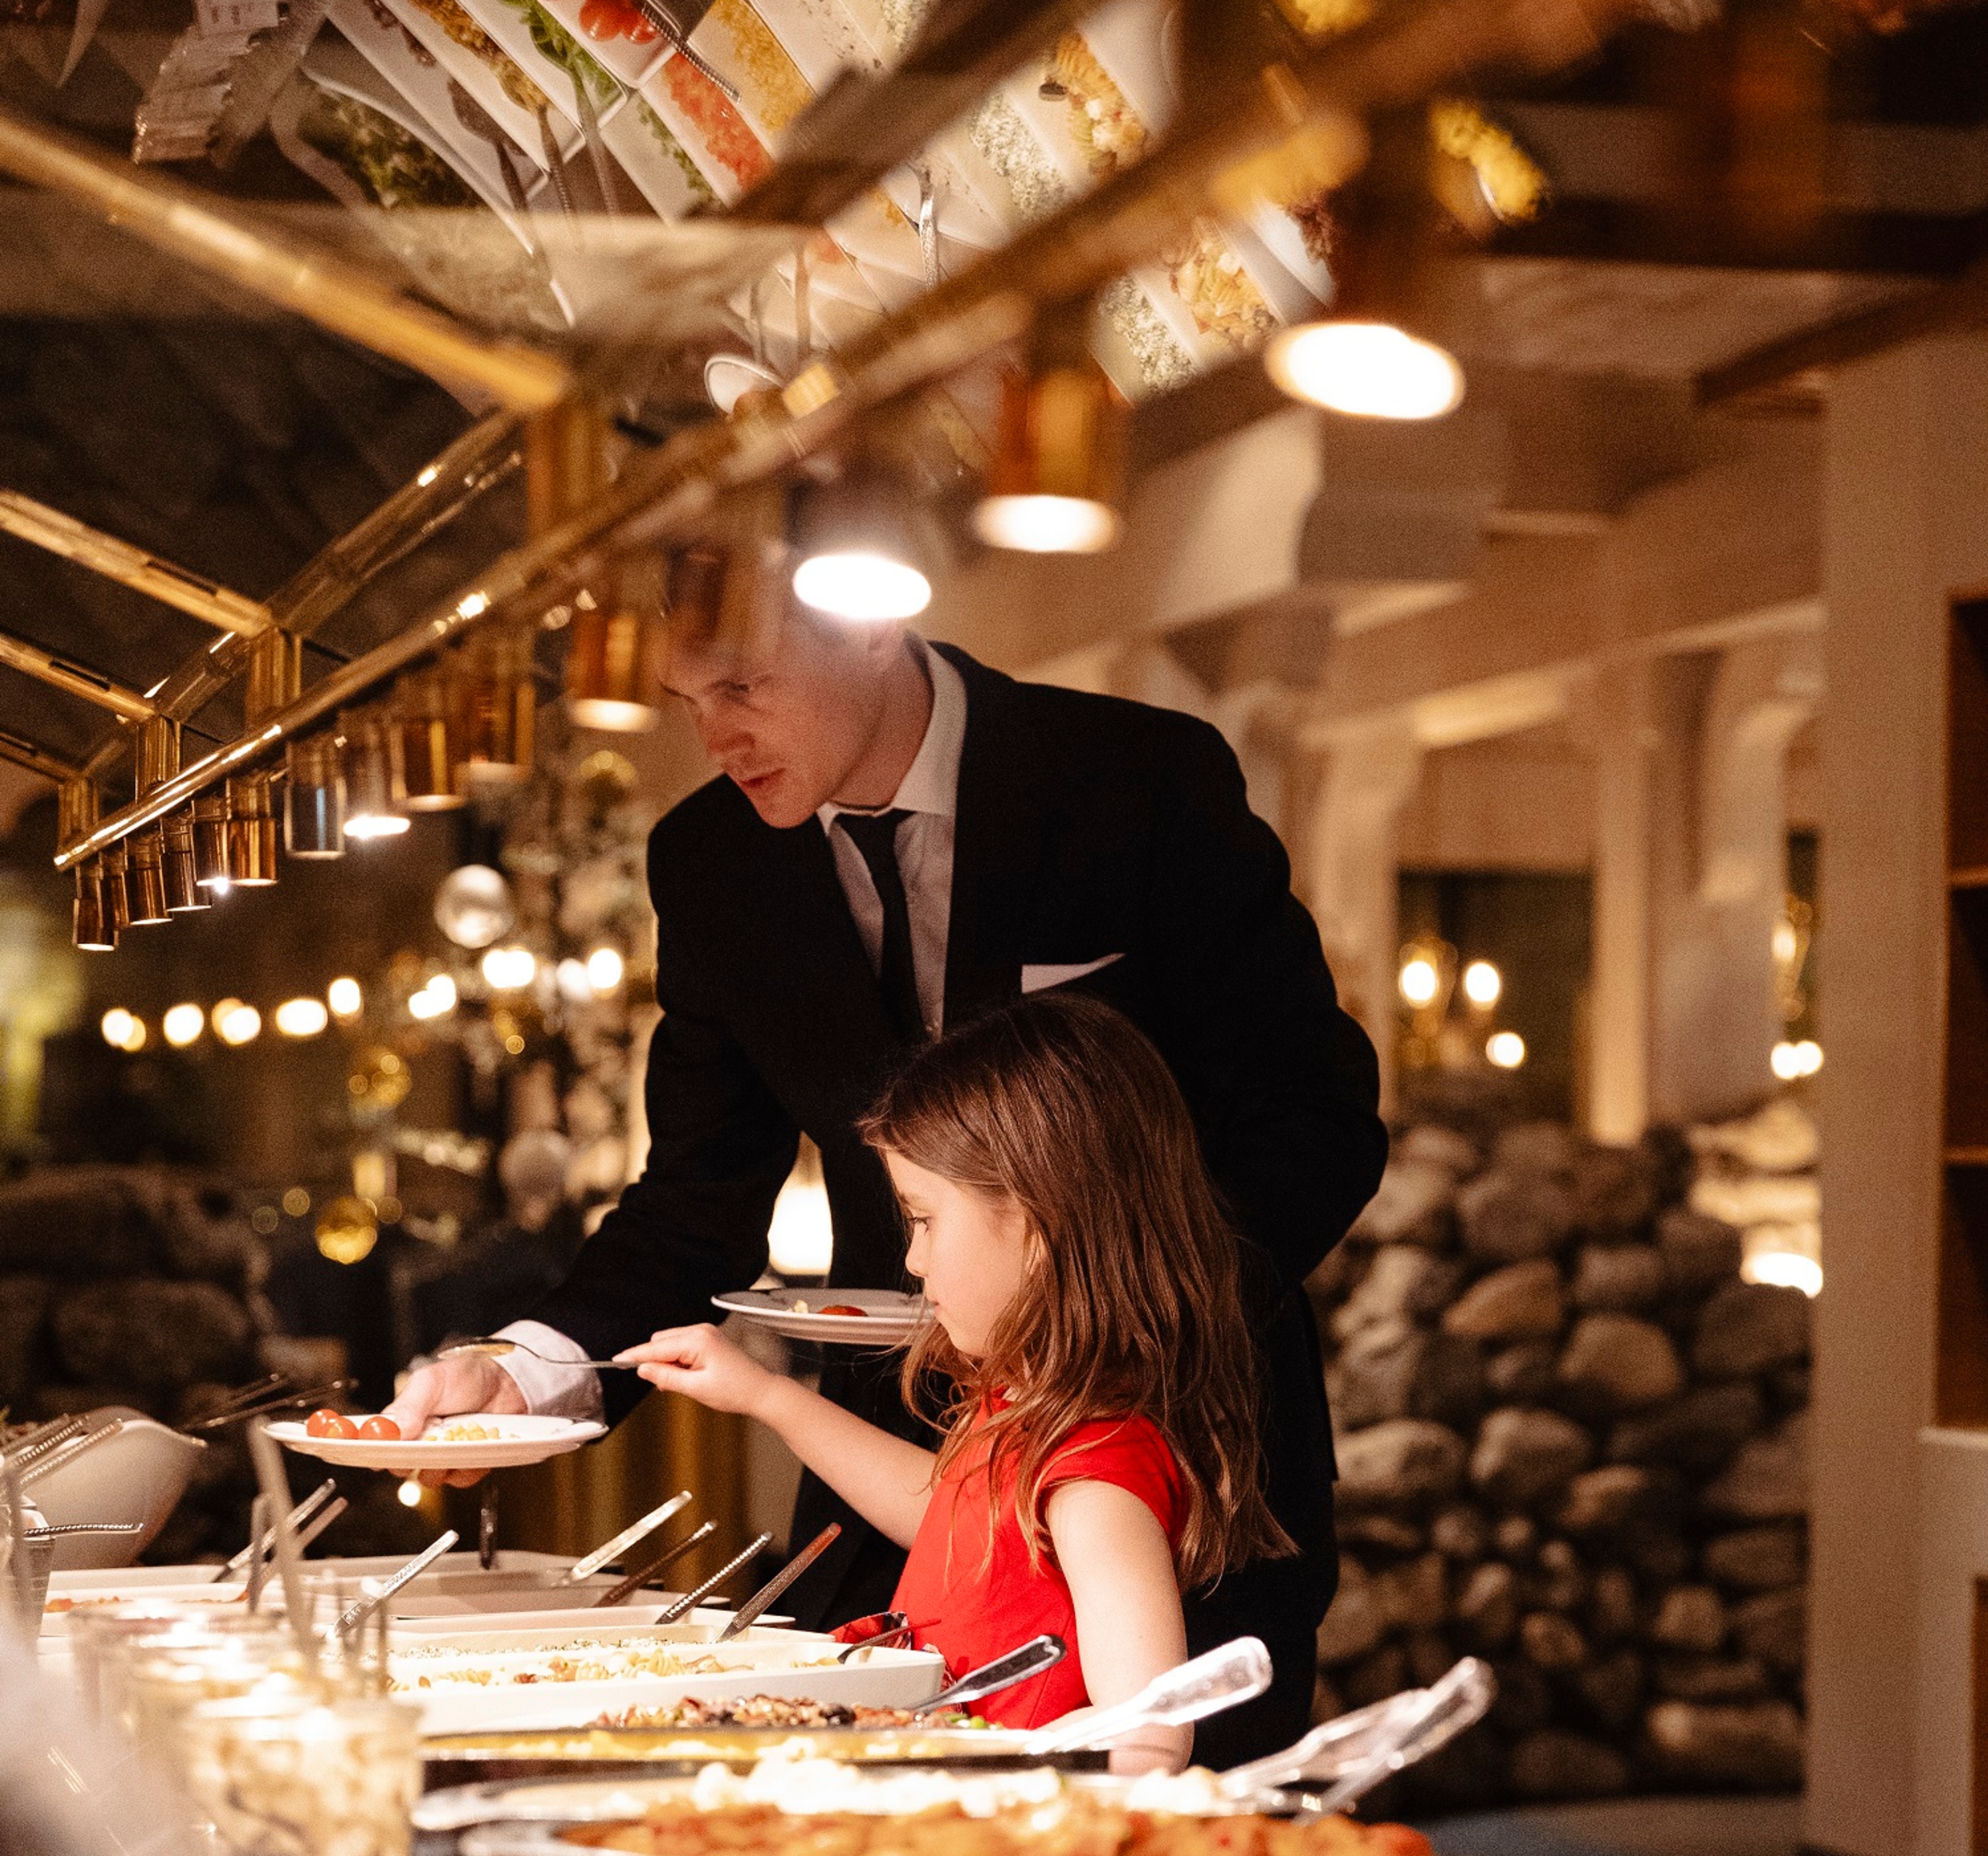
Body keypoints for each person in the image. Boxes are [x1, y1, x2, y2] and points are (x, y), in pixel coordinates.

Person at [394, 586, 1387, 1760]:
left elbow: (1318, 1119)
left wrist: (1121, 1313)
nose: (714, 736)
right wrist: (533, 1368)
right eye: (687, 701)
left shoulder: (1138, 778)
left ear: (867, 621)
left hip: (1182, 1454)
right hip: (907, 1480)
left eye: (743, 686)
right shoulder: (712, 861)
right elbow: (698, 1188)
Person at [615, 998, 1290, 1772]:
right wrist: (768, 1396)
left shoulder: (1096, 1471)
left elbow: (1151, 1732)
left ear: (1038, 1226)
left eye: (925, 1220)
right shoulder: (1026, 1408)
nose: (912, 1259)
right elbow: (949, 1516)